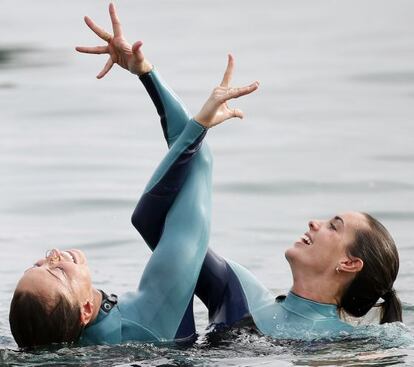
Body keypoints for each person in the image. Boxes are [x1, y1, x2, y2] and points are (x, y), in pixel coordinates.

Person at [8, 3, 258, 348]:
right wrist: (187, 113)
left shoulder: (74, 339)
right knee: (148, 220)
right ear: (83, 311)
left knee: (147, 219)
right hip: (251, 337)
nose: (52, 255)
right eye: (56, 271)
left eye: (36, 264)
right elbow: (200, 163)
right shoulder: (149, 316)